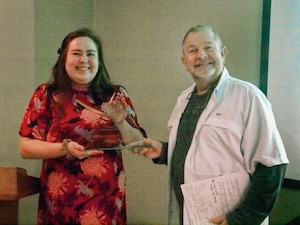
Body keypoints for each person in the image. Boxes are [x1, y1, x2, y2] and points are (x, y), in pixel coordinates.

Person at [129, 25, 288, 225]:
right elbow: (202, 153)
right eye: (192, 50)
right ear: (184, 61)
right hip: (189, 215)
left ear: (223, 53)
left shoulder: (248, 96)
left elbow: (272, 164)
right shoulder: (183, 98)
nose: (201, 55)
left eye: (208, 48)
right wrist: (164, 151)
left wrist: (240, 219)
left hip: (229, 219)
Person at [19, 28, 146, 225]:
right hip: (61, 199)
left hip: (107, 198)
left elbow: (138, 144)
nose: (84, 60)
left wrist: (121, 121)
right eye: (77, 53)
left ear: (99, 60)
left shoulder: (116, 95)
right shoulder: (46, 95)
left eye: (90, 54)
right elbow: (25, 147)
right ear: (64, 59)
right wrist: (64, 148)